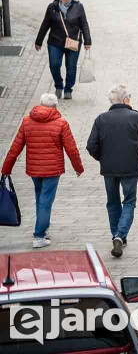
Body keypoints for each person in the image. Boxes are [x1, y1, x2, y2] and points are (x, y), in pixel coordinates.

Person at [1, 93, 84, 248]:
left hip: (34, 170)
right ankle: (39, 235)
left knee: (40, 198)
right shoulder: (61, 123)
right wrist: (78, 167)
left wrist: (6, 168)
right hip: (52, 170)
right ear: (54, 106)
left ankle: (43, 230)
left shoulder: (27, 122)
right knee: (46, 201)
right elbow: (71, 149)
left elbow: (15, 148)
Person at [87, 85, 138, 258]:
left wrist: (102, 158)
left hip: (109, 168)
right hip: (130, 167)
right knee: (129, 201)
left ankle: (116, 234)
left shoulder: (101, 119)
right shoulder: (137, 118)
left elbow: (91, 145)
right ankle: (120, 234)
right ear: (125, 100)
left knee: (112, 201)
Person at [35, 0, 91, 100]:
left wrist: (87, 40)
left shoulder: (78, 7)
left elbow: (84, 24)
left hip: (73, 41)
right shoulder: (52, 7)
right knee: (54, 65)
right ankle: (59, 86)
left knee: (71, 67)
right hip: (55, 41)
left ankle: (68, 89)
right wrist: (38, 41)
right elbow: (45, 24)